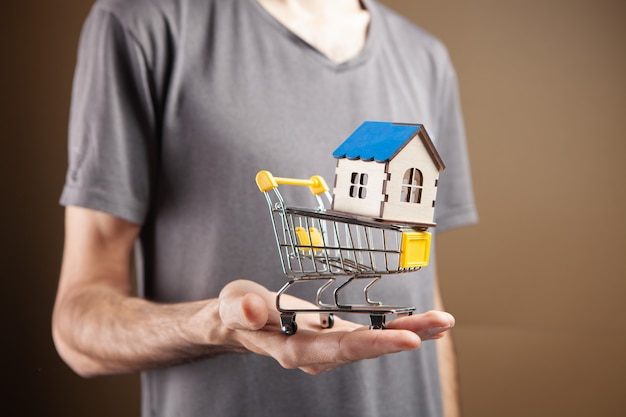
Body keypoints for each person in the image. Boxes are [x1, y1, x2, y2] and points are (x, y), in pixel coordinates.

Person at [52, 0, 477, 416]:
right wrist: (215, 324)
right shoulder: (143, 21)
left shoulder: (425, 56)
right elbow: (76, 330)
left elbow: (426, 293)